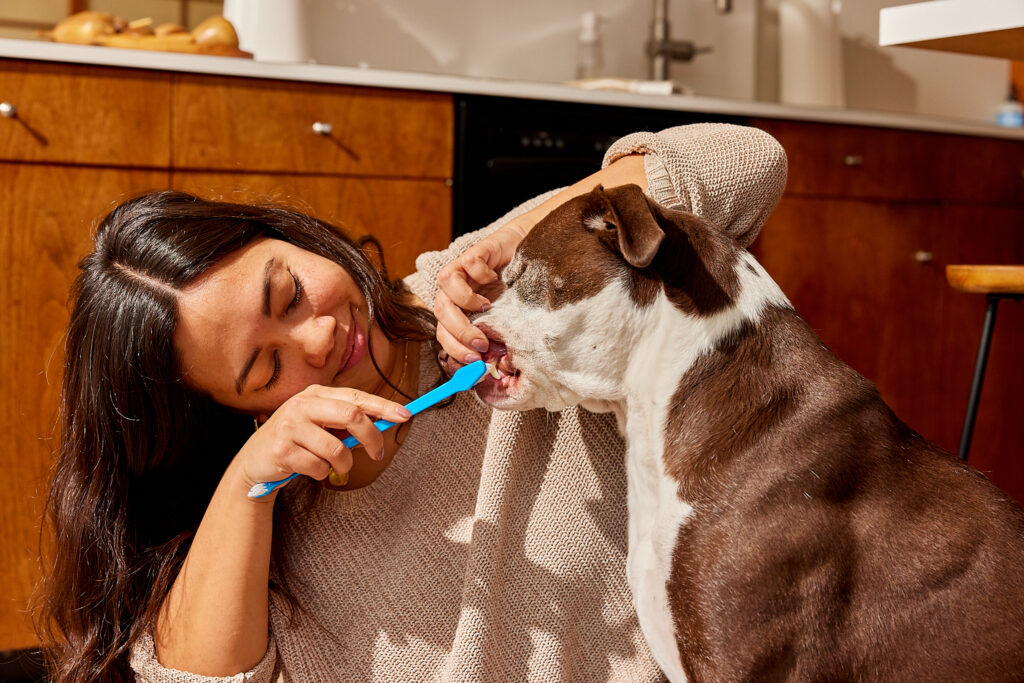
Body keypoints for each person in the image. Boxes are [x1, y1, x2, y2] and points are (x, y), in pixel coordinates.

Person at [37, 123, 787, 682]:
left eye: (290, 291)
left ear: (285, 235)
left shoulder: (484, 290)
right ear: (233, 411)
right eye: (265, 367)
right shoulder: (266, 514)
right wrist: (246, 484)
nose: (321, 335)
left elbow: (749, 164)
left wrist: (528, 236)